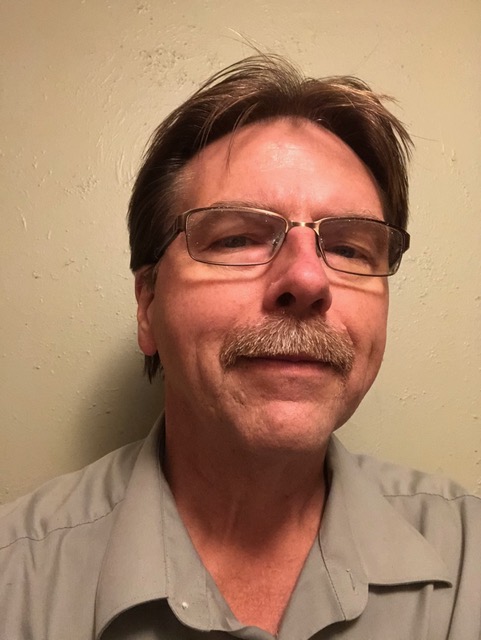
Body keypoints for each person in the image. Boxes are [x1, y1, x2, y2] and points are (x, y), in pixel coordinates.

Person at [1, 54, 480, 640]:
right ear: (148, 304)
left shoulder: (470, 563)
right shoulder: (14, 580)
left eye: (350, 249)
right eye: (236, 239)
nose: (307, 280)